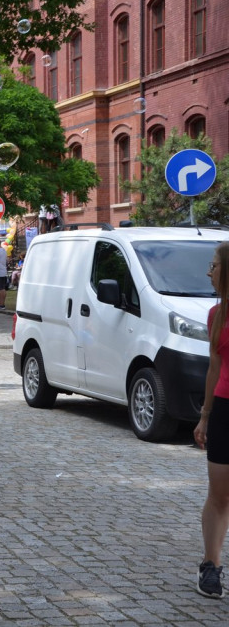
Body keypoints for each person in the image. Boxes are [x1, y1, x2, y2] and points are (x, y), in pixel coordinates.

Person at [194, 242, 229, 599]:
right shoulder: (215, 313)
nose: (209, 271)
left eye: (214, 265)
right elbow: (215, 367)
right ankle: (211, 566)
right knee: (220, 495)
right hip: (223, 409)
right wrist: (204, 417)